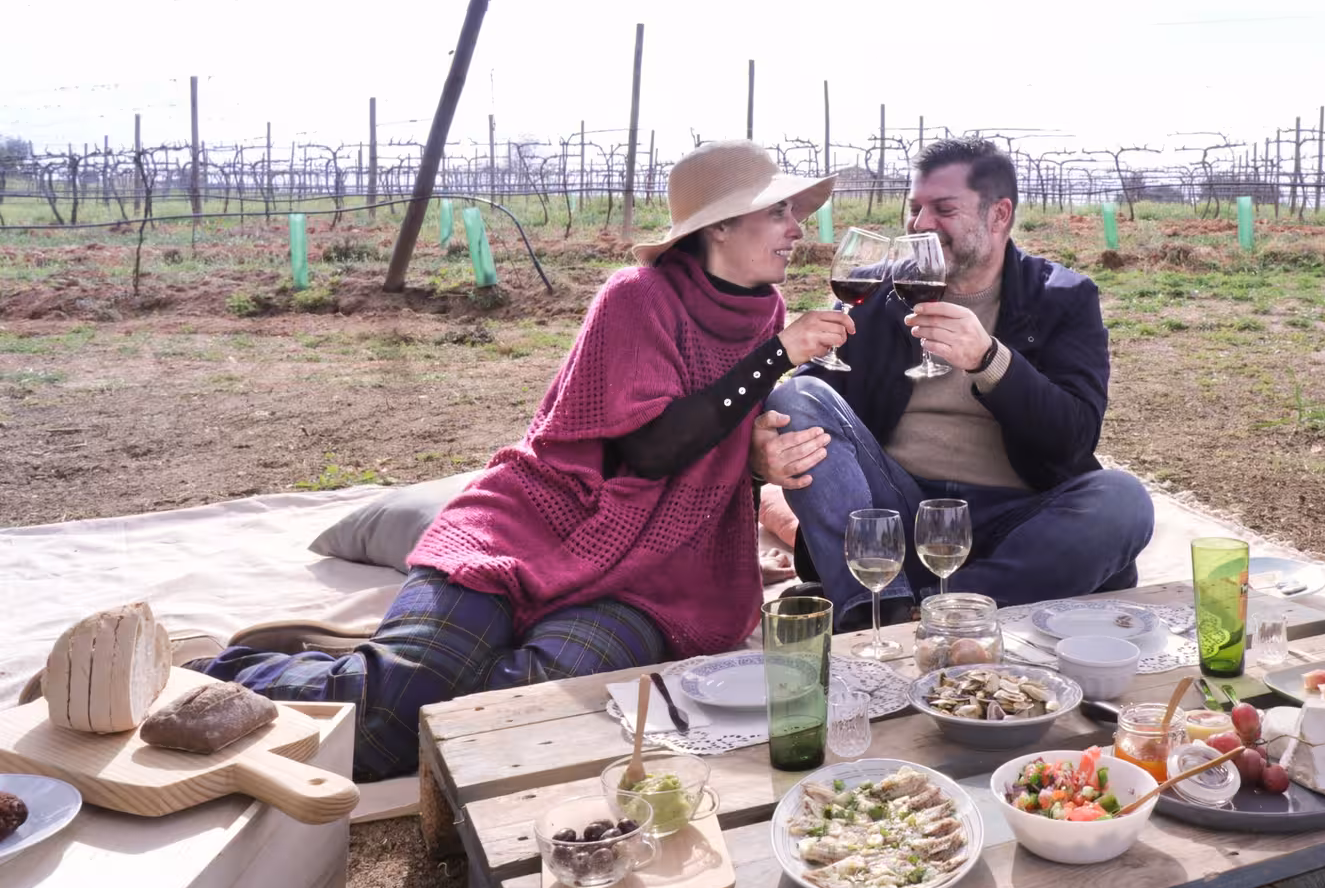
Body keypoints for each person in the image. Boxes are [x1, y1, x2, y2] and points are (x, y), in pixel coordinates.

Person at [181, 141, 848, 780]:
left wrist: (759, 459)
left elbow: (714, 433)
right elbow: (649, 448)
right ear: (721, 228)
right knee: (385, 721)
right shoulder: (637, 296)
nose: (797, 228)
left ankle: (371, 663)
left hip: (651, 578)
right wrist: (776, 358)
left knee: (512, 720)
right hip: (535, 527)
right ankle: (227, 672)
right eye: (778, 212)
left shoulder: (766, 315)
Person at [756, 137, 1153, 630]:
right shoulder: (881, 290)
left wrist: (990, 360)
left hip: (1019, 520)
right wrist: (764, 448)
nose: (921, 225)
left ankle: (938, 610)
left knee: (1121, 500)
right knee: (796, 395)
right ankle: (872, 608)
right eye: (915, 208)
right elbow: (815, 398)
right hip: (897, 512)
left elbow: (1073, 438)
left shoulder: (1064, 298)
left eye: (943, 209)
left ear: (999, 214)